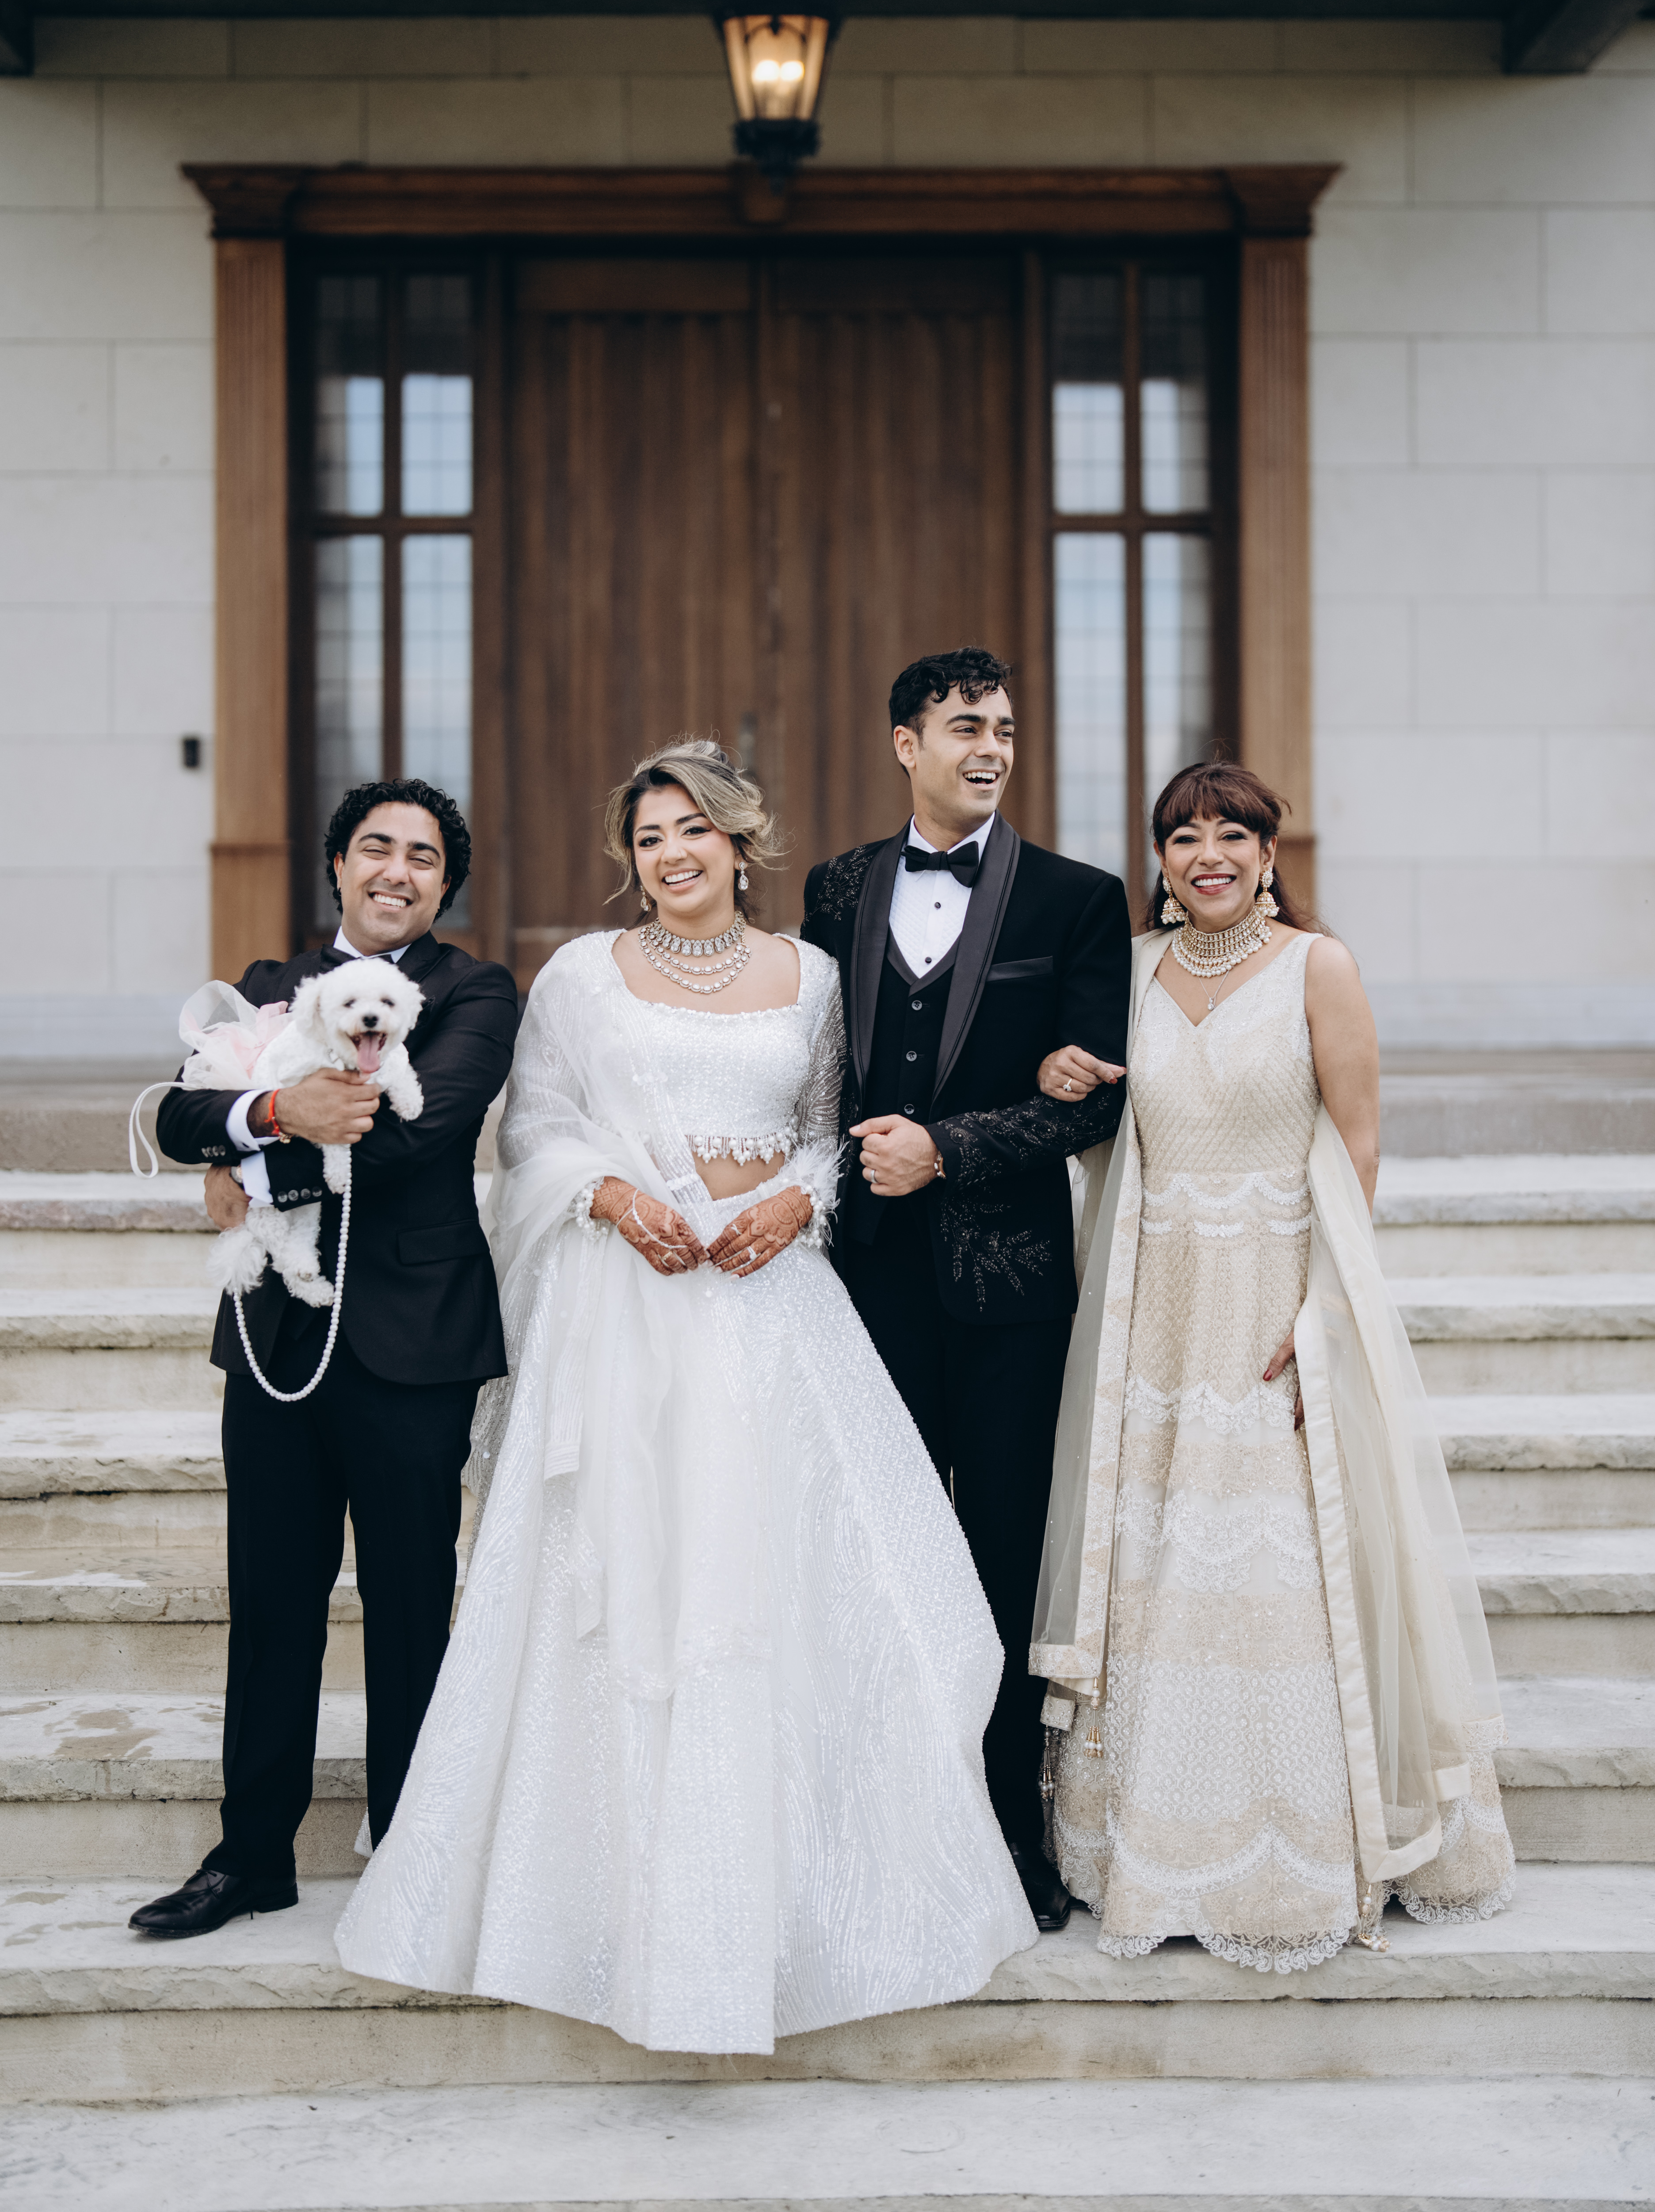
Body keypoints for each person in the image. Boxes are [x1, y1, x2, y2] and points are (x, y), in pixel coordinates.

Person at [334, 741, 1036, 2055]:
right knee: (627, 1577)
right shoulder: (579, 978)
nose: (670, 856)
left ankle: (781, 1909)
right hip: (627, 1304)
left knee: (783, 1578)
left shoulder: (813, 977)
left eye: (691, 831)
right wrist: (613, 1196)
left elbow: (826, 1131)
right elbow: (532, 1132)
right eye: (648, 838)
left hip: (770, 1305)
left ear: (738, 842)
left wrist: (796, 1202)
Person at [1032, 760, 1515, 1969]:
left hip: (1273, 1293)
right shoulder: (1129, 969)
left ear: (1267, 853)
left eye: (1231, 836)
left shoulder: (1318, 967)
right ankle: (1152, 1841)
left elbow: (1359, 1145)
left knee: (1277, 1559)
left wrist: (1326, 1312)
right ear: (1160, 859)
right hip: (1158, 1304)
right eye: (1184, 837)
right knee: (1158, 1558)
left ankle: (1298, 1849)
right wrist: (1054, 1076)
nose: (1209, 856)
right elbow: (1090, 1108)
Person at [130, 781, 519, 1941]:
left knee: (409, 1607)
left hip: (414, 1338)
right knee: (271, 1602)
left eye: (424, 857)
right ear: (339, 865)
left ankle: (413, 1853)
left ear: (445, 886)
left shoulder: (476, 993)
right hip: (276, 1339)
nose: (398, 869)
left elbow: (413, 1135)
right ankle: (251, 1856)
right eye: (376, 848)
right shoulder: (267, 985)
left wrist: (251, 1166)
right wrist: (264, 1115)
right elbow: (179, 1118)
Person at [800, 649, 1132, 1933]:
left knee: (1001, 1555)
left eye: (1003, 728)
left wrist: (950, 1147)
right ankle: (883, 1823)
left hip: (1010, 1290)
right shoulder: (838, 887)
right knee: (877, 1556)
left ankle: (1010, 1831)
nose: (989, 747)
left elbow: (1097, 1099)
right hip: (862, 1283)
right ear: (906, 744)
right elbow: (811, 1066)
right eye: (962, 726)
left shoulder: (1077, 899)